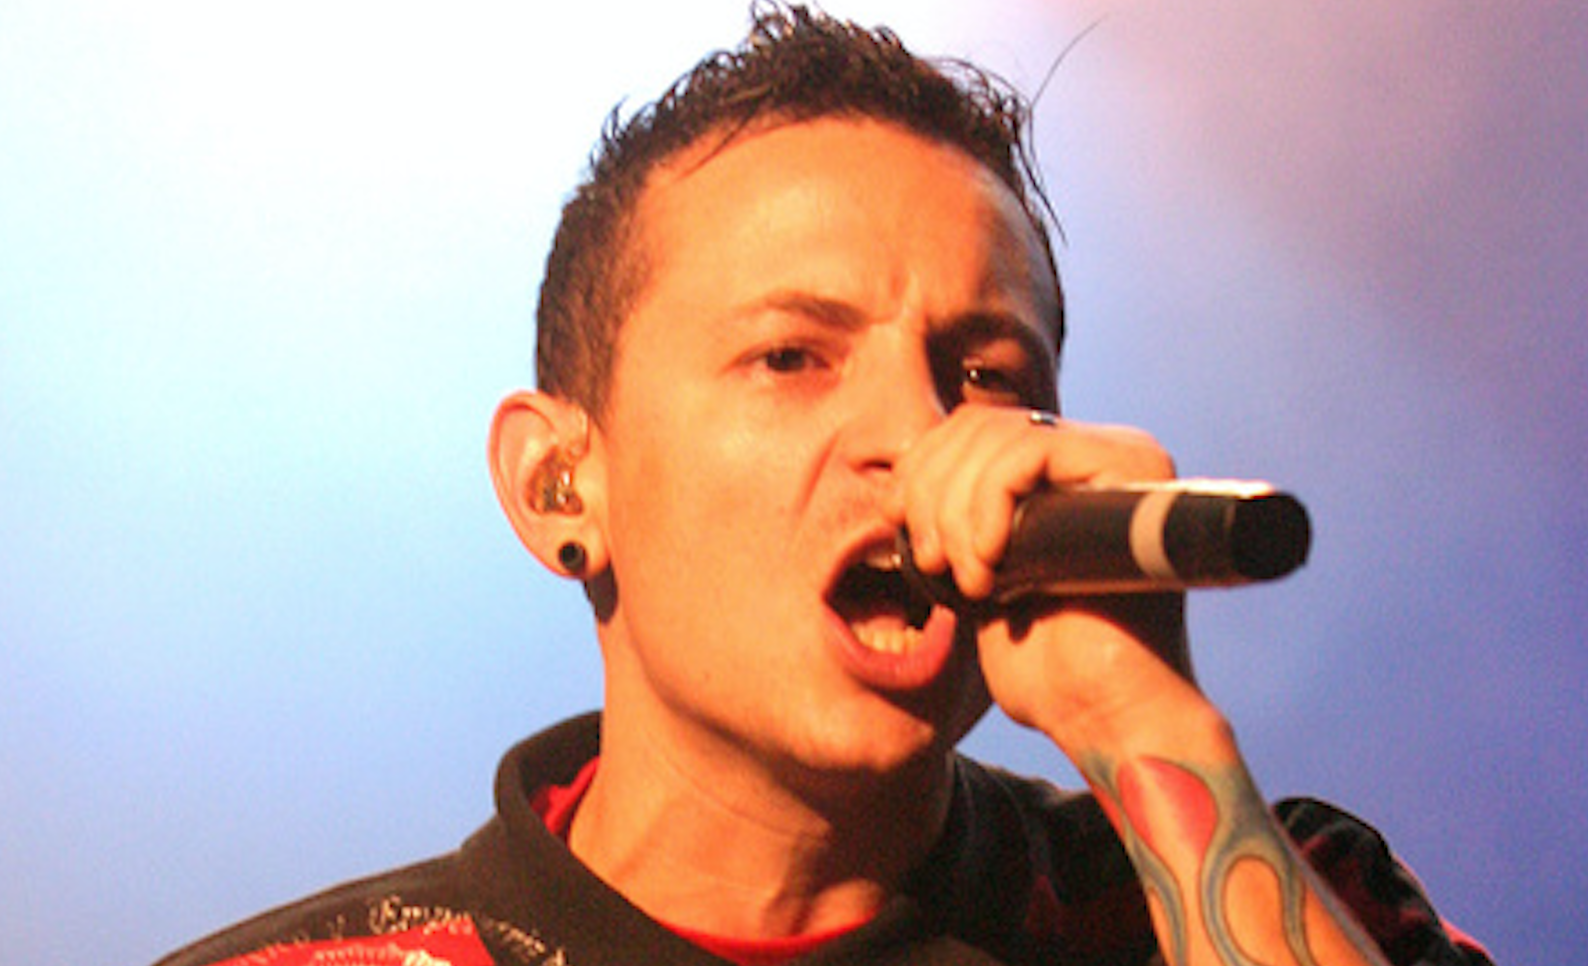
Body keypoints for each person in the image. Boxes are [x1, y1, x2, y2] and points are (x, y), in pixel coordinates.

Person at [154, 6, 1492, 966]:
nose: (917, 430)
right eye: (792, 356)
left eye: (986, 372)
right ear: (561, 484)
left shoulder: (1280, 895)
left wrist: (1142, 725)